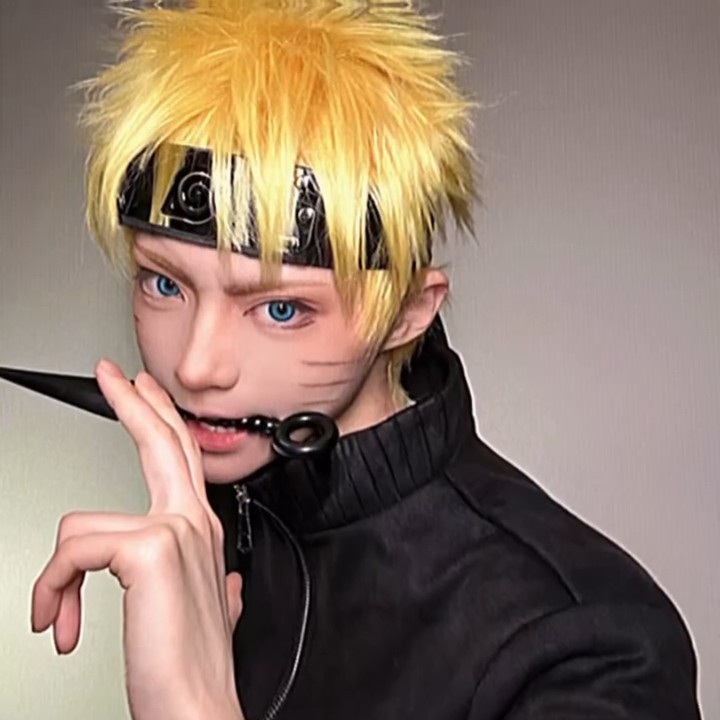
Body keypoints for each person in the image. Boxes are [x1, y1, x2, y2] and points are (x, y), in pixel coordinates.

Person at [29, 2, 701, 719]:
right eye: (165, 284)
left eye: (281, 309)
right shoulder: (216, 526)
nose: (197, 368)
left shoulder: (590, 655)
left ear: (409, 312)